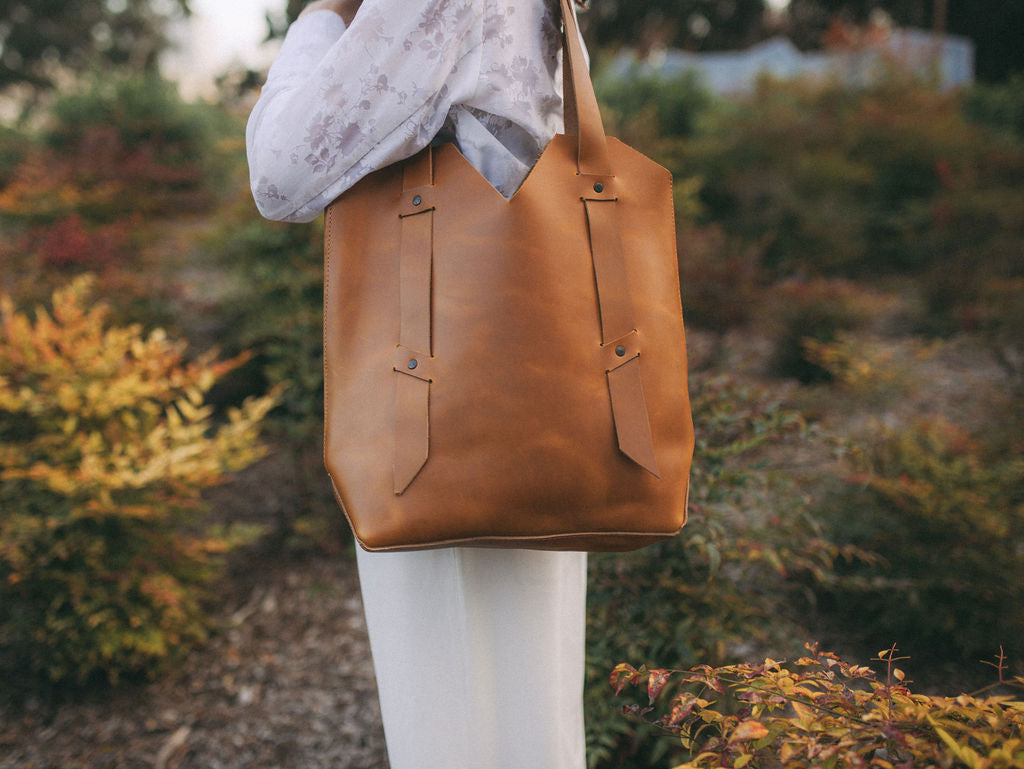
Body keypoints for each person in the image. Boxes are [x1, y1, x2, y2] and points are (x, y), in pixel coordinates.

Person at [246, 1, 589, 767]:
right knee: (528, 694)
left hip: (433, 399)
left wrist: (320, 18)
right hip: (538, 386)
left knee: (453, 704)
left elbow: (279, 174)